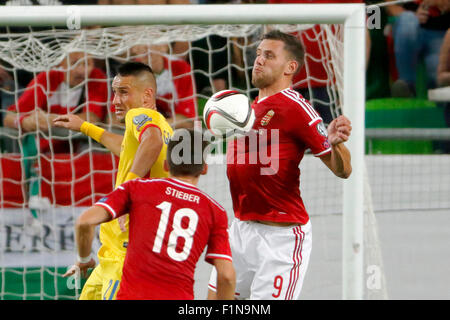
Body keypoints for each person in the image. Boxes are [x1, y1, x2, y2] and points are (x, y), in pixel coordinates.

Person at [207, 30, 352, 300]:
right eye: (258, 54)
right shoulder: (246, 109)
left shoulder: (297, 108)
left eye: (269, 55)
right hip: (240, 228)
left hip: (281, 238)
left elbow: (343, 170)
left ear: (290, 67)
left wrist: (335, 143)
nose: (258, 60)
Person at [63, 129, 236, 300]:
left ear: (166, 164)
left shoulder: (136, 188)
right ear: (204, 168)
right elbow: (227, 277)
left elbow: (84, 222)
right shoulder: (215, 211)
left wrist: (84, 259)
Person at [54, 61, 174, 300]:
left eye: (124, 92)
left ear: (147, 95)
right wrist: (85, 127)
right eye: (114, 92)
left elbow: (151, 142)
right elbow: (127, 147)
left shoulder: (141, 115)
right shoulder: (161, 124)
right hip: (111, 258)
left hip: (126, 256)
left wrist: (126, 197)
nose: (115, 101)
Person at [2, 51, 108, 230]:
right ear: (62, 63)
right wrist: (25, 121)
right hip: (42, 157)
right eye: (75, 62)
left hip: (77, 158)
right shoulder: (47, 79)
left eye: (87, 64)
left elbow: (92, 117)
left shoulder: (96, 78)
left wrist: (49, 119)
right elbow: (9, 117)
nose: (82, 69)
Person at [388, 0, 450, 97]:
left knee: (438, 79)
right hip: (409, 23)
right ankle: (407, 85)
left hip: (441, 31)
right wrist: (414, 15)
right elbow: (390, 5)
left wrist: (439, 2)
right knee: (407, 20)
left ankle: (437, 92)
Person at [130, 44, 196, 129]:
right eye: (140, 42)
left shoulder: (180, 67)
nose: (145, 47)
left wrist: (152, 127)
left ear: (164, 46)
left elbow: (187, 121)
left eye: (150, 41)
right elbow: (113, 118)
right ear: (134, 49)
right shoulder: (130, 73)